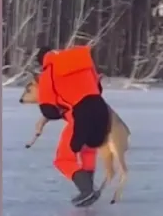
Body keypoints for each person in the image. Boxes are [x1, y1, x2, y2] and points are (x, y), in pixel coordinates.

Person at [36, 45, 111, 207]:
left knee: (63, 158)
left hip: (80, 117)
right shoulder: (82, 63)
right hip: (101, 110)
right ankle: (89, 188)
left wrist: (58, 113)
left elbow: (48, 107)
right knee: (89, 149)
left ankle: (86, 190)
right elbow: (97, 87)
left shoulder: (49, 69)